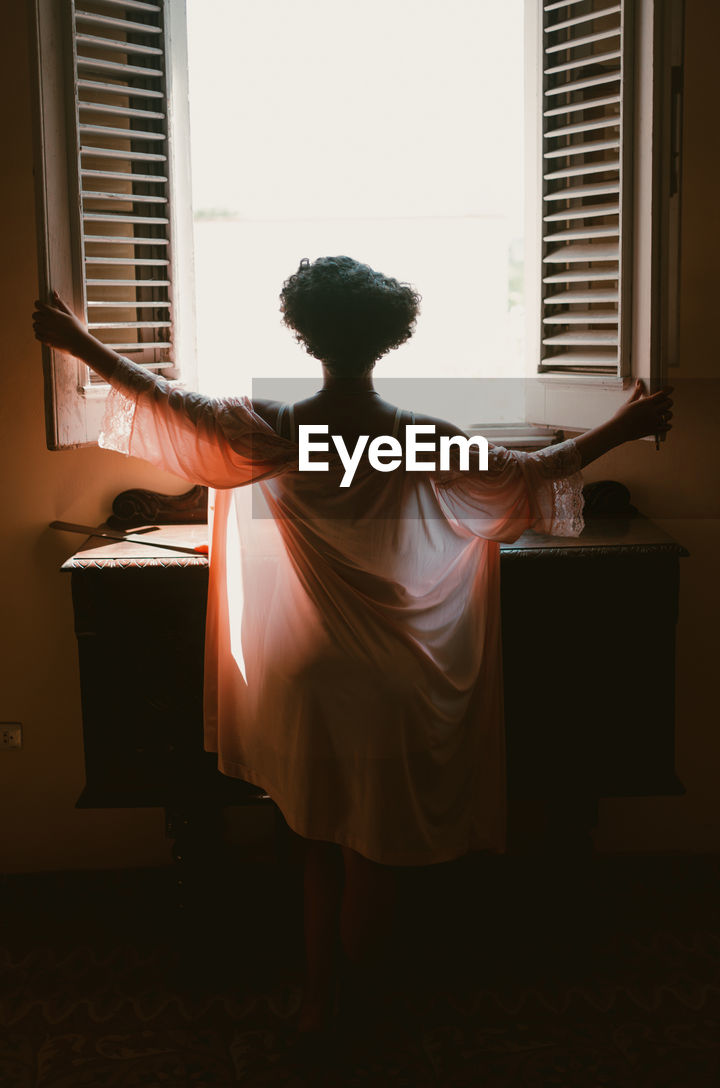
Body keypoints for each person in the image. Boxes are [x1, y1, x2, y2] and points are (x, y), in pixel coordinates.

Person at [33, 256, 673, 1038]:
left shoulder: (273, 430)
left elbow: (159, 398)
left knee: (314, 845)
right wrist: (627, 425)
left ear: (305, 334)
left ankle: (314, 1003)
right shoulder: (416, 440)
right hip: (396, 678)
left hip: (308, 678)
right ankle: (362, 1005)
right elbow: (532, 476)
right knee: (374, 849)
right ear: (389, 339)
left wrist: (77, 341)